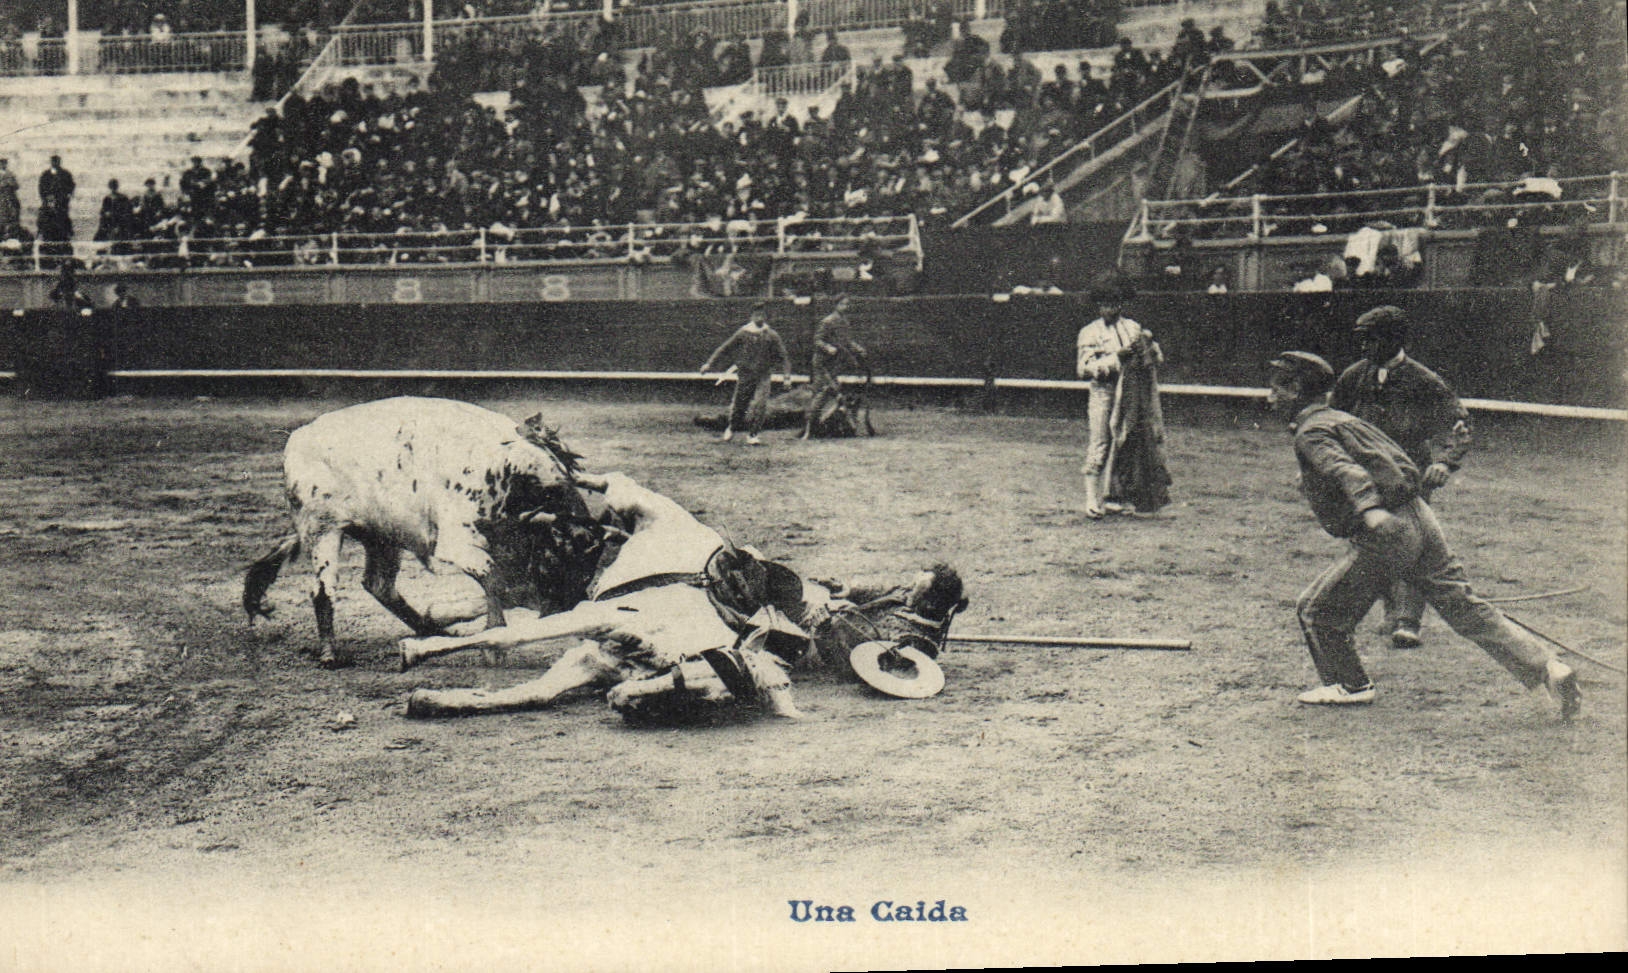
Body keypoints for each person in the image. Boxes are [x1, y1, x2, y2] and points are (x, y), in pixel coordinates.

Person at [401, 472, 967, 721]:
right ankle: (443, 672)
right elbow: (844, 591)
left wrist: (840, 614)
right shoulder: (876, 598)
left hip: (764, 624)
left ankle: (440, 664)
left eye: (919, 586)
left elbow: (838, 622)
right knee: (553, 678)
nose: (909, 583)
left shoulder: (898, 629)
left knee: (573, 641)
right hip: (767, 614)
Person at [1265, 351, 1579, 720]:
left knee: (1317, 611)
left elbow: (1346, 470)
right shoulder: (1343, 419)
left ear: (1297, 389)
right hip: (1420, 516)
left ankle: (1350, 685)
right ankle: (1549, 668)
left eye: (1276, 389)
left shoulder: (1312, 431)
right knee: (1464, 607)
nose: (1270, 398)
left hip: (1387, 531)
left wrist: (1369, 509)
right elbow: (1394, 462)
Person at [1330, 306, 1472, 648]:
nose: (1365, 347)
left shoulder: (1424, 380)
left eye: (1372, 340)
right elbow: (1332, 420)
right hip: (1364, 476)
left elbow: (1456, 425)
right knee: (1370, 542)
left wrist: (1443, 462)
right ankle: (1387, 610)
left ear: (1394, 339)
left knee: (1413, 544)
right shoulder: (1354, 376)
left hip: (1409, 477)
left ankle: (1408, 620)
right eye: (1362, 340)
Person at [1075, 274, 1163, 519]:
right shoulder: (1089, 332)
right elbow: (1084, 369)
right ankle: (1092, 499)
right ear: (1098, 305)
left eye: (1113, 303)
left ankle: (1118, 497)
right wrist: (1117, 359)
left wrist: (1150, 346)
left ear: (1121, 304)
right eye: (1104, 304)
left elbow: (1155, 359)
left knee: (1129, 443)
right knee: (1101, 443)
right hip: (1104, 393)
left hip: (1131, 394)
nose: (1109, 308)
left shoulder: (1133, 327)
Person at [699, 301, 793, 445]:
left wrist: (786, 378)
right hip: (746, 374)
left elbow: (784, 356)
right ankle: (731, 427)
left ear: (766, 316)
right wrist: (709, 364)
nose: (759, 317)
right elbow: (724, 348)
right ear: (751, 316)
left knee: (760, 404)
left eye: (762, 314)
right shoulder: (743, 333)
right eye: (756, 314)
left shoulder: (771, 335)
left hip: (763, 375)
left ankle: (753, 434)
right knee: (740, 405)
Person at [800, 294, 866, 441]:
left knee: (829, 393)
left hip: (834, 364)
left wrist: (858, 348)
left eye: (847, 304)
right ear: (836, 305)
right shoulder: (828, 321)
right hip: (822, 363)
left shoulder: (844, 322)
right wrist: (828, 347)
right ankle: (808, 430)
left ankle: (820, 426)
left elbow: (847, 342)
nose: (845, 307)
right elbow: (817, 340)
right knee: (820, 394)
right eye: (842, 304)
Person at [37, 155, 75, 243]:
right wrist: (46, 198)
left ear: (59, 162)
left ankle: (65, 234)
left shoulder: (65, 174)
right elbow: (41, 187)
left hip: (61, 201)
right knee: (47, 217)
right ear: (51, 162)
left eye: (57, 161)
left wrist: (67, 195)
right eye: (53, 161)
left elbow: (71, 185)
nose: (55, 163)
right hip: (49, 201)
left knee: (62, 217)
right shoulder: (46, 174)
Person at [0, 157, 21, 240]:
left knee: (12, 217)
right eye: (2, 163)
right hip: (1, 199)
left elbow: (17, 185)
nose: (3, 165)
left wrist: (11, 184)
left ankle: (11, 235)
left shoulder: (10, 174)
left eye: (5, 163)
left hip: (10, 198)